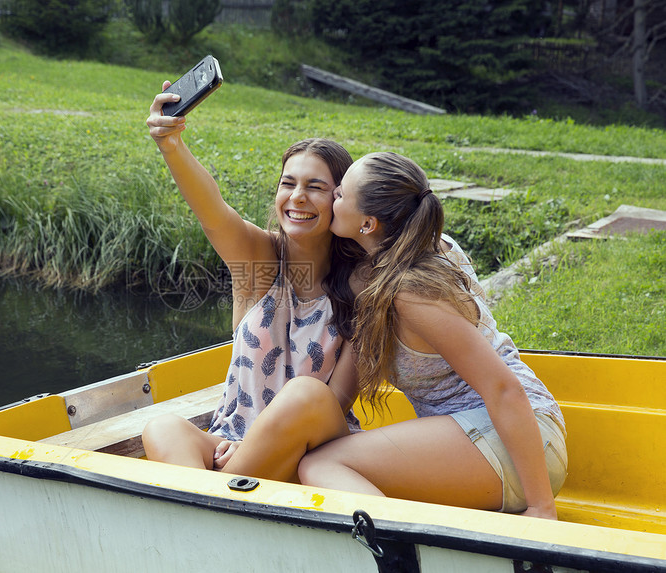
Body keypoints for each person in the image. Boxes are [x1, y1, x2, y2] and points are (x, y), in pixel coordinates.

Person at [296, 151, 568, 519]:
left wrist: (542, 507)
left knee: (321, 467)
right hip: (497, 442)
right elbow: (342, 392)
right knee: (324, 462)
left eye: (340, 194)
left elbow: (503, 387)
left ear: (368, 224)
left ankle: (398, 553)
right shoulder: (413, 252)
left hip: (520, 443)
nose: (331, 199)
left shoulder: (411, 290)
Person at [141, 82, 362, 482]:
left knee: (306, 395)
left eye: (315, 187)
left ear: (342, 201)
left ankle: (211, 503)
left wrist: (258, 443)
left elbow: (337, 401)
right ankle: (217, 498)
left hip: (314, 451)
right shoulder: (259, 265)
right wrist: (171, 144)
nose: (297, 197)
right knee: (162, 428)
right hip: (231, 440)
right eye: (288, 183)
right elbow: (212, 210)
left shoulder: (363, 286)